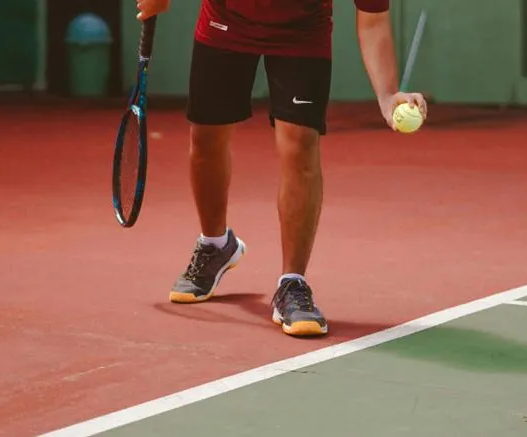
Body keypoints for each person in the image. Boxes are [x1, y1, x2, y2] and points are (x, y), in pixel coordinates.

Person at [135, 0, 428, 337]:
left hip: (301, 32)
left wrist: (388, 94)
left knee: (300, 142)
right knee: (206, 137)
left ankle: (292, 282)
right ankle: (215, 245)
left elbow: (373, 19)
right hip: (226, 21)